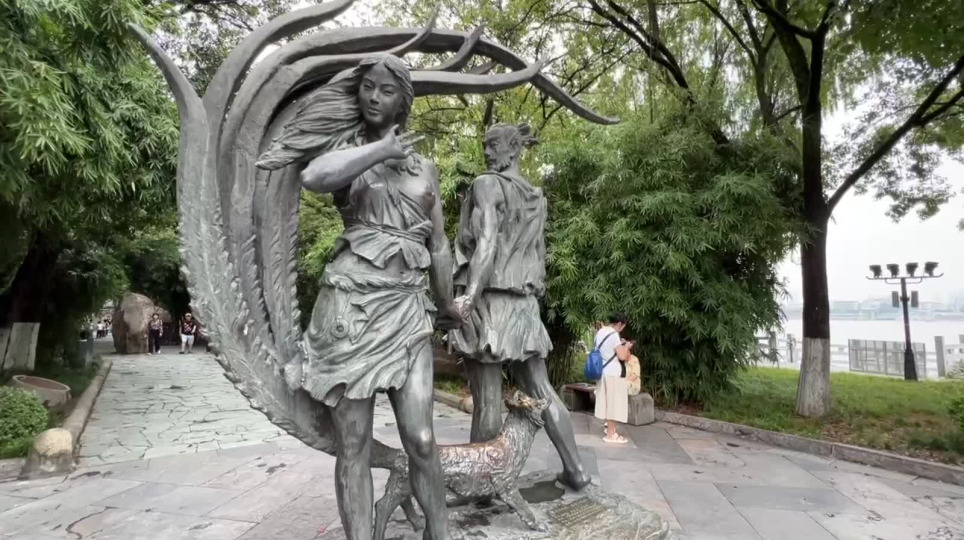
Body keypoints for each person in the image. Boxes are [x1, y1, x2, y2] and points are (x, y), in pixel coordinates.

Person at [256, 55, 461, 540]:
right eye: (368, 86)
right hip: (351, 307)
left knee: (422, 438)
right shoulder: (347, 151)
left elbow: (438, 244)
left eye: (386, 90)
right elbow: (313, 177)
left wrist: (448, 303)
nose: (373, 97)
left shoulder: (426, 169)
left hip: (408, 310)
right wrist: (378, 151)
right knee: (354, 444)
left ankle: (441, 533)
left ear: (403, 101)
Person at [450, 123, 589, 490]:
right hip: (525, 306)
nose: (486, 151)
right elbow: (539, 259)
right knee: (543, 390)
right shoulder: (536, 197)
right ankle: (575, 469)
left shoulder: (486, 184)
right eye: (484, 144)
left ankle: (483, 488)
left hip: (490, 301)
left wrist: (469, 297)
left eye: (493, 144)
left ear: (513, 148)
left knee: (487, 401)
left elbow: (486, 242)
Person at [594, 312, 630, 444]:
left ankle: (610, 430)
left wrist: (620, 345)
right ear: (619, 324)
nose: (622, 329)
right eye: (623, 327)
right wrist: (626, 347)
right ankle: (611, 435)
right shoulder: (614, 335)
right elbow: (622, 356)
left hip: (602, 372)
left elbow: (606, 351)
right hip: (613, 374)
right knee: (614, 404)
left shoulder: (600, 332)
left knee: (607, 402)